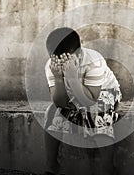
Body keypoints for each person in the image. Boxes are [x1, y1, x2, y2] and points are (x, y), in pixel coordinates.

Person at [44, 27, 122, 175]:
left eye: (65, 59)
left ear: (78, 53)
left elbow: (91, 99)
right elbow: (60, 102)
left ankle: (107, 168)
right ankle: (51, 166)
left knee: (97, 112)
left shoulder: (94, 61)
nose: (59, 63)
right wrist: (59, 78)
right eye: (55, 58)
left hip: (104, 93)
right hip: (75, 95)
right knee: (52, 111)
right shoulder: (51, 65)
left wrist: (73, 78)